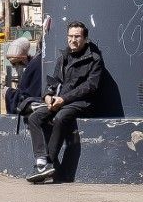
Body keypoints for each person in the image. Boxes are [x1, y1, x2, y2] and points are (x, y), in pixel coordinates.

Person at [26, 21, 104, 184]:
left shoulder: (94, 59)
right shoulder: (63, 57)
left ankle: (50, 161)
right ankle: (41, 163)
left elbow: (90, 87)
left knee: (60, 117)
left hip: (82, 103)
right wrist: (48, 96)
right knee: (34, 117)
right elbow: (54, 80)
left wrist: (63, 99)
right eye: (70, 36)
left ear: (85, 38)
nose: (73, 40)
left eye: (77, 36)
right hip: (61, 100)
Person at [4, 36, 43, 116]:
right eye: (13, 64)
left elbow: (26, 93)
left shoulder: (35, 64)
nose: (16, 66)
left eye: (18, 63)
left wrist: (8, 93)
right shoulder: (36, 62)